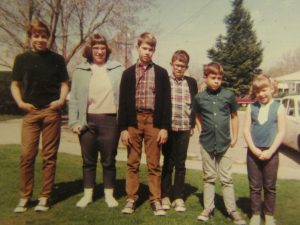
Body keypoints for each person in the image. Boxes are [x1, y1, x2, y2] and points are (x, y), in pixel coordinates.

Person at [11, 19, 69, 213]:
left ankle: (45, 196)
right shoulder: (21, 59)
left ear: (48, 38)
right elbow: (15, 84)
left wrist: (61, 101)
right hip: (31, 113)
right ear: (30, 37)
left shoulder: (57, 59)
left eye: (44, 36)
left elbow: (64, 83)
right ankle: (25, 197)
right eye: (36, 36)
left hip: (51, 112)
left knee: (49, 156)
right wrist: (20, 103)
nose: (41, 39)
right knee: (27, 155)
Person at [68, 33, 124, 208]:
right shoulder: (80, 70)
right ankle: (87, 195)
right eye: (95, 48)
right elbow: (74, 98)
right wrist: (74, 122)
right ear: (90, 50)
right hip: (87, 121)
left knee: (108, 161)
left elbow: (124, 96)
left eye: (102, 48)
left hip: (110, 121)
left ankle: (109, 195)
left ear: (106, 50)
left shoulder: (117, 69)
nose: (99, 51)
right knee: (88, 161)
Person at [118, 32, 171, 216]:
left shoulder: (162, 73)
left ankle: (155, 199)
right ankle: (131, 198)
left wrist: (164, 127)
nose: (147, 52)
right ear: (138, 48)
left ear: (154, 51)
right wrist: (123, 129)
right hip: (133, 121)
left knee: (154, 163)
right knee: (132, 162)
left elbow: (166, 103)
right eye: (144, 48)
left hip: (153, 122)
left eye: (151, 49)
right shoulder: (127, 74)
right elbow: (123, 103)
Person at [193, 62, 246, 224]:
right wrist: (201, 131)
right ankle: (208, 208)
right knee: (209, 177)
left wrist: (235, 137)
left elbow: (235, 116)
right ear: (206, 78)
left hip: (224, 144)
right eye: (213, 78)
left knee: (226, 178)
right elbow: (197, 116)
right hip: (207, 143)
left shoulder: (228, 95)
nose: (216, 81)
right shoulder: (199, 97)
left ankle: (232, 210)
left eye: (219, 78)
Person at [243, 74, 285, 225]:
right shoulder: (250, 107)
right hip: (253, 153)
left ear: (272, 89)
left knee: (270, 186)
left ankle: (268, 214)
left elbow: (281, 132)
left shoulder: (279, 108)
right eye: (258, 91)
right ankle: (255, 214)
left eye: (264, 90)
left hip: (271, 153)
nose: (261, 94)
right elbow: (246, 130)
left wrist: (270, 151)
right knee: (254, 186)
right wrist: (254, 149)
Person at [161, 50, 198, 212]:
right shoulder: (164, 81)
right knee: (168, 162)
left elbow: (195, 105)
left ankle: (178, 197)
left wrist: (192, 125)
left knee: (180, 163)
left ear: (186, 67)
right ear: (171, 64)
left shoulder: (191, 82)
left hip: (184, 128)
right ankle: (166, 196)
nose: (179, 68)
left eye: (182, 66)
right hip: (168, 128)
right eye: (176, 65)